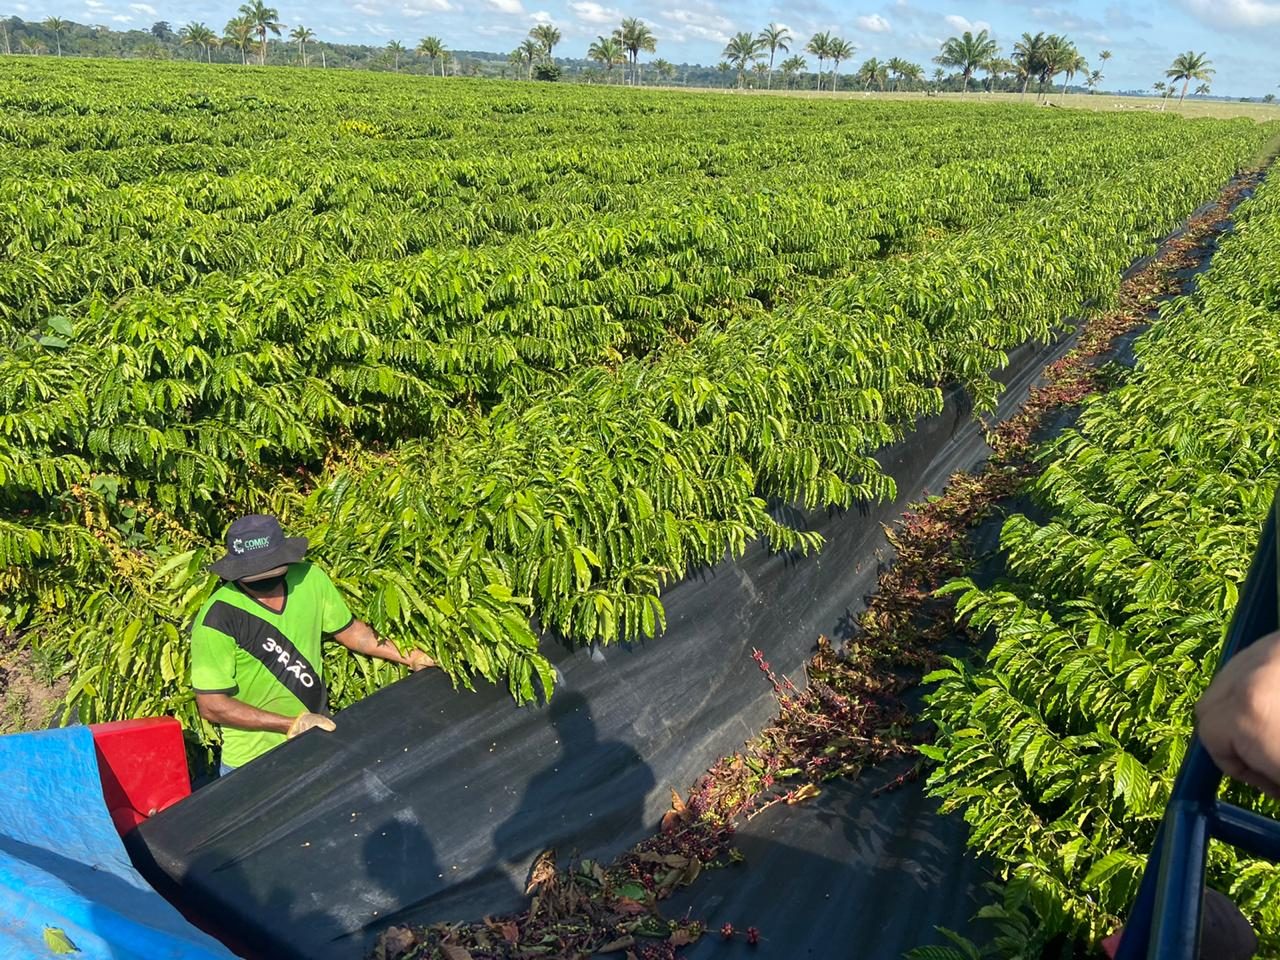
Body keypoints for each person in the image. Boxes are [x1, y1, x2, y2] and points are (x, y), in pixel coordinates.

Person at [191, 514, 435, 775]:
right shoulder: (217, 619)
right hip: (252, 763)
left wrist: (410, 655)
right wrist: (291, 724)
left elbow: (352, 632)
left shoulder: (309, 579)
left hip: (316, 741)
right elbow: (212, 705)